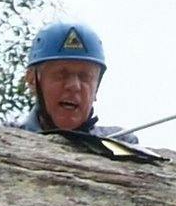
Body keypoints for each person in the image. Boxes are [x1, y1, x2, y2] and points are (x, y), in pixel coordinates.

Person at [19, 19, 161, 162]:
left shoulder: (123, 143)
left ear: (96, 87)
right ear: (32, 80)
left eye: (85, 77)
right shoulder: (8, 138)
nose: (74, 86)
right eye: (61, 75)